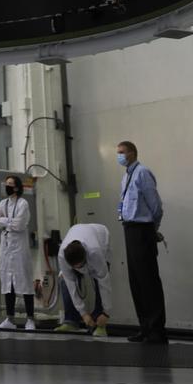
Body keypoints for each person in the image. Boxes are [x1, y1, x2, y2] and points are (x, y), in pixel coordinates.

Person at [117, 140, 167, 345]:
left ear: (132, 153)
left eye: (122, 152)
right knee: (136, 281)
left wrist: (152, 229)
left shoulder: (142, 173)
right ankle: (144, 327)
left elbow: (156, 206)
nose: (119, 156)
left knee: (148, 281)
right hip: (129, 229)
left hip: (142, 229)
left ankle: (156, 330)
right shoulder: (126, 176)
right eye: (117, 152)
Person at [0, 174, 36, 331]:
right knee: (7, 282)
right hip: (5, 248)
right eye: (6, 183)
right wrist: (8, 222)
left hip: (19, 248)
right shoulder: (3, 203)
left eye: (10, 184)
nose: (7, 186)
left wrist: (6, 223)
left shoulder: (23, 203)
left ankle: (30, 319)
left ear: (17, 187)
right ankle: (9, 319)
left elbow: (20, 224)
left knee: (24, 281)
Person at [54, 222, 112, 336]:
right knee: (64, 280)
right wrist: (83, 313)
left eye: (80, 266)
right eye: (75, 267)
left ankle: (100, 323)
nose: (79, 269)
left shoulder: (95, 252)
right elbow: (71, 284)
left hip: (101, 237)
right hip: (78, 232)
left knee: (99, 280)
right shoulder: (62, 256)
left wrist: (106, 313)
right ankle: (71, 321)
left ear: (85, 256)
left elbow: (104, 282)